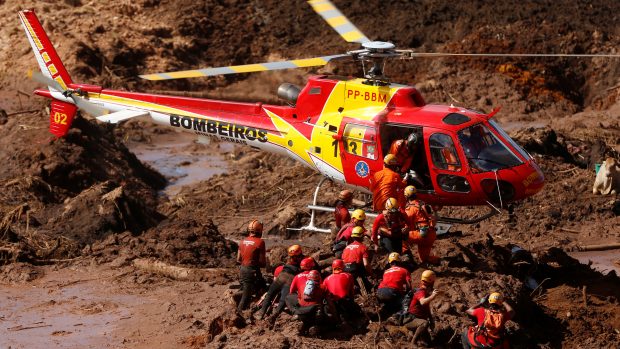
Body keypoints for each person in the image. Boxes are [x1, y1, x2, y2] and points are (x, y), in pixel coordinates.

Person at [256, 244, 303, 322]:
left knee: (272, 295)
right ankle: (271, 314)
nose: (293, 258)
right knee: (280, 298)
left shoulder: (291, 260)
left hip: (283, 278)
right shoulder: (301, 261)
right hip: (288, 280)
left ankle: (264, 314)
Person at [403, 186, 439, 265]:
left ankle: (407, 256)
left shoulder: (410, 208)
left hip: (421, 235)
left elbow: (406, 224)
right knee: (424, 259)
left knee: (400, 237)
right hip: (431, 234)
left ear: (406, 196)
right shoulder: (424, 204)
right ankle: (438, 261)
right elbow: (433, 218)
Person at [403, 270, 440, 345]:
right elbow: (422, 302)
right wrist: (433, 295)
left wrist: (431, 319)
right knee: (424, 323)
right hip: (411, 320)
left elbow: (427, 307)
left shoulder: (425, 293)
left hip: (417, 320)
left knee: (428, 343)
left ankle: (412, 335)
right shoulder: (421, 291)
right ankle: (413, 343)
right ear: (431, 282)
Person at [236, 219, 267, 313]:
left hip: (242, 270)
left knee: (261, 284)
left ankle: (252, 302)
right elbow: (262, 263)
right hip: (251, 271)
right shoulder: (260, 242)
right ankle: (238, 314)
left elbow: (238, 259)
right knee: (246, 296)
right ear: (260, 231)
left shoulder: (242, 241)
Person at [287, 269, 326, 335]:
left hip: (302, 311)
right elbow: (328, 301)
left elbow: (293, 294)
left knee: (289, 297)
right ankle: (315, 328)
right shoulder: (323, 287)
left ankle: (296, 315)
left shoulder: (302, 286)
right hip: (315, 313)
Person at [323, 259, 359, 325]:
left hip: (332, 304)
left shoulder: (326, 279)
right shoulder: (348, 275)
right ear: (343, 266)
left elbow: (325, 295)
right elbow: (351, 292)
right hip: (344, 302)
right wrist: (352, 304)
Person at [376, 252, 412, 317]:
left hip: (379, 292)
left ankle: (387, 309)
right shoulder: (404, 270)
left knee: (390, 300)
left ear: (390, 263)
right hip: (391, 293)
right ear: (399, 261)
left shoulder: (386, 271)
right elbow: (409, 286)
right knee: (406, 300)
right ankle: (399, 315)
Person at [342, 226, 372, 293]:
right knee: (369, 287)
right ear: (362, 236)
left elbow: (343, 261)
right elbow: (366, 264)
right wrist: (371, 273)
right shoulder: (363, 247)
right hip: (356, 271)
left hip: (345, 270)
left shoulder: (346, 248)